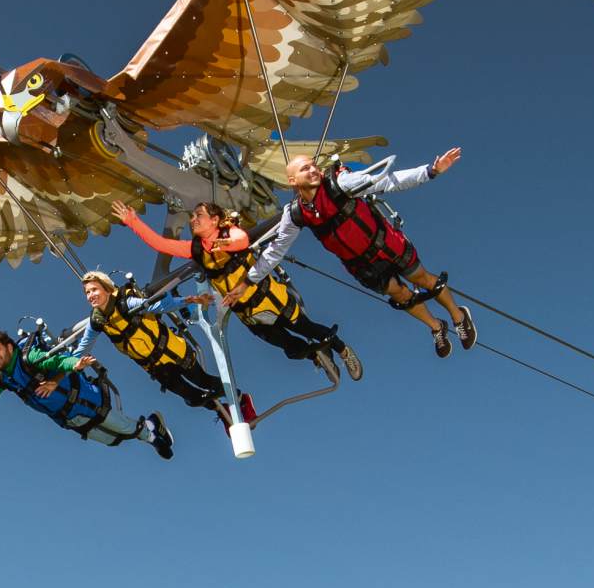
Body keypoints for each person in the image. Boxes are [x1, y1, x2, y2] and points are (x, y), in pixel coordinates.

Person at [250, 148, 476, 357]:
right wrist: (249, 280)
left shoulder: (339, 183)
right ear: (292, 181)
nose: (313, 170)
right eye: (305, 168)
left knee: (421, 278)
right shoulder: (295, 213)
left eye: (313, 166)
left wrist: (430, 171)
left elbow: (385, 181)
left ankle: (458, 316)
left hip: (384, 243)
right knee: (400, 295)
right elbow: (276, 250)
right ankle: (436, 326)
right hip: (362, 264)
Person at [110, 200, 360, 382]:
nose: (193, 219)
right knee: (290, 347)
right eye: (193, 216)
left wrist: (223, 243)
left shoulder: (229, 232)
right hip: (249, 314)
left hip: (270, 300)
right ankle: (316, 356)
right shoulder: (195, 249)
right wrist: (133, 221)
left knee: (309, 328)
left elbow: (242, 240)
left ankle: (342, 349)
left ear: (215, 220)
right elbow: (161, 244)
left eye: (199, 215)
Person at [0, 327, 172, 458]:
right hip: (67, 417)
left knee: (126, 428)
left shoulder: (28, 357)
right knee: (113, 440)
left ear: (9, 347)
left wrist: (75, 364)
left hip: (85, 400)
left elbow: (56, 361)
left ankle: (152, 429)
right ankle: (149, 431)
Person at [78, 270, 229, 419]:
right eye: (87, 292)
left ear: (107, 289)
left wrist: (190, 300)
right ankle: (220, 410)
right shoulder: (97, 321)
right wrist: (70, 363)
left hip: (173, 351)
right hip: (157, 367)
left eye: (94, 289)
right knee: (193, 397)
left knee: (203, 381)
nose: (90, 295)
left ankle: (237, 395)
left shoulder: (126, 303)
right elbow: (83, 347)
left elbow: (158, 306)